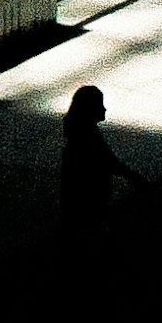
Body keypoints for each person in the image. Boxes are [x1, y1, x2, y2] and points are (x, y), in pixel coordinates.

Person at [59, 79, 120, 235]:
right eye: (100, 104)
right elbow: (110, 161)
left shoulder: (80, 139)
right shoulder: (90, 139)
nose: (104, 108)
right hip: (91, 210)